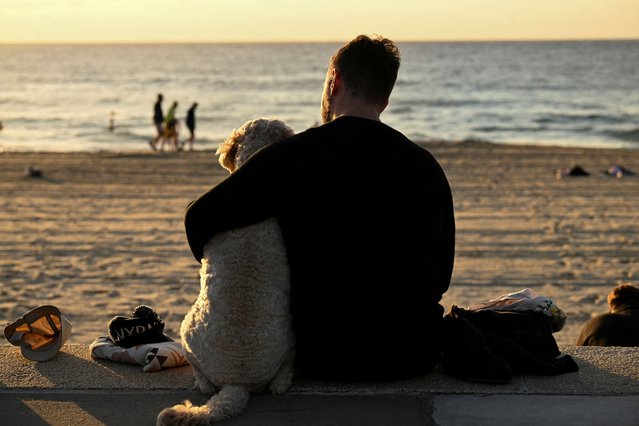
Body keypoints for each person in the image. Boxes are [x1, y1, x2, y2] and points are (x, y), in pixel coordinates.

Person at [184, 34, 455, 381]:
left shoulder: (291, 158)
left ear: (335, 81)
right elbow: (441, 275)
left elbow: (199, 220)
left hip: (321, 356)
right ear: (385, 100)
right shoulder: (425, 167)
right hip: (412, 355)